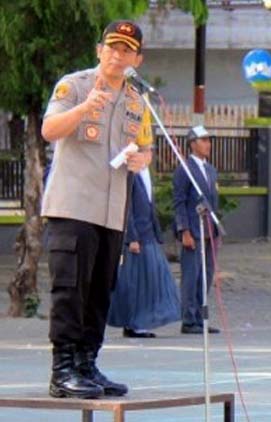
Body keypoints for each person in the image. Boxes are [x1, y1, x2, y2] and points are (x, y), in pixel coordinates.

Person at [41, 20, 150, 399]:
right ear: (99, 50)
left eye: (126, 50)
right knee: (70, 292)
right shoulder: (75, 86)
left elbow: (144, 146)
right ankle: (63, 370)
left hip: (111, 213)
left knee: (100, 291)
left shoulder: (137, 101)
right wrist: (85, 108)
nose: (117, 56)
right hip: (73, 208)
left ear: (137, 58)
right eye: (112, 48)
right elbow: (50, 129)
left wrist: (142, 158)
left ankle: (87, 363)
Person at [108, 167, 180, 338]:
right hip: (137, 237)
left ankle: (141, 321)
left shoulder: (145, 173)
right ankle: (135, 323)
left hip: (148, 234)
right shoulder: (129, 174)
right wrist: (131, 236)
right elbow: (126, 208)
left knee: (151, 280)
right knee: (137, 283)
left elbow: (148, 205)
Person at [173, 126, 221, 335]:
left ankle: (201, 317)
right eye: (203, 140)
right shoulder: (185, 169)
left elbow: (213, 201)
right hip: (193, 228)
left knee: (206, 275)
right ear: (192, 143)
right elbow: (179, 201)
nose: (207, 144)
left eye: (208, 140)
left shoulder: (210, 170)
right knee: (191, 275)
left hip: (210, 229)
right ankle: (188, 319)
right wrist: (184, 230)